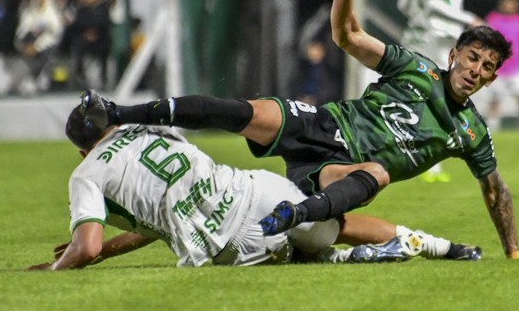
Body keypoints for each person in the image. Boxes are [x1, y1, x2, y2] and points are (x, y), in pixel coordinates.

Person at [81, 0, 519, 260]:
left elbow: (495, 191)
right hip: (322, 123)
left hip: (337, 172)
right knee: (245, 112)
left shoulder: (472, 132)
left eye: (486, 68)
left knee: (367, 183)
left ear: (491, 79)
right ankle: (119, 112)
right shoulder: (415, 68)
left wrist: (514, 252)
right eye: (472, 58)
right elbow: (347, 36)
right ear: (454, 55)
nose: (474, 70)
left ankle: (294, 215)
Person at [28, 104, 479, 271]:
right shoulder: (154, 131)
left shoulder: (87, 174)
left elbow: (84, 247)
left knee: (306, 253)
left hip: (235, 245)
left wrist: (61, 266)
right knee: (331, 224)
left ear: (82, 151)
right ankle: (439, 246)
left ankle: (334, 256)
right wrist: (107, 250)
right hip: (260, 191)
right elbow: (173, 203)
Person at [396, 0, 484, 182]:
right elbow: (434, 5)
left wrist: (419, 23)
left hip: (421, 38)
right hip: (435, 40)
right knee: (439, 100)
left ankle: (424, 163)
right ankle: (425, 163)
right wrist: (468, 18)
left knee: (425, 99)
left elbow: (404, 1)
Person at [484, 0, 519, 130]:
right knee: (495, 99)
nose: (509, 7)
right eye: (507, 4)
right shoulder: (493, 19)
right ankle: (492, 127)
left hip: (518, 67)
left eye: (512, 4)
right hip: (497, 66)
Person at [13, 0, 64, 95]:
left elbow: (54, 35)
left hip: (46, 45)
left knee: (45, 54)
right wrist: (25, 45)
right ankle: (26, 80)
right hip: (28, 43)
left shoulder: (52, 13)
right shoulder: (28, 11)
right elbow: (22, 31)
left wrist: (36, 46)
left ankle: (33, 79)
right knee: (27, 42)